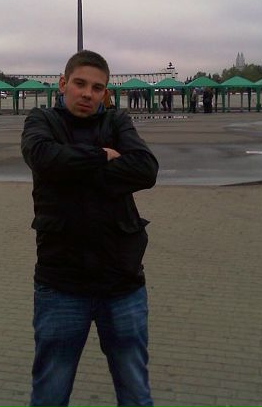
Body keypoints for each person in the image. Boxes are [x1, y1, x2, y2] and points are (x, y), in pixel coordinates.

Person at [21, 50, 159, 407]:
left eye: (97, 88)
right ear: (63, 83)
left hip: (122, 282)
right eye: (80, 84)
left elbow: (146, 169)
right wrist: (102, 156)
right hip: (61, 283)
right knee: (50, 391)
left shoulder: (117, 120)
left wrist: (70, 170)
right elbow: (42, 157)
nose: (87, 93)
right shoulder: (42, 120)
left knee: (135, 390)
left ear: (105, 92)